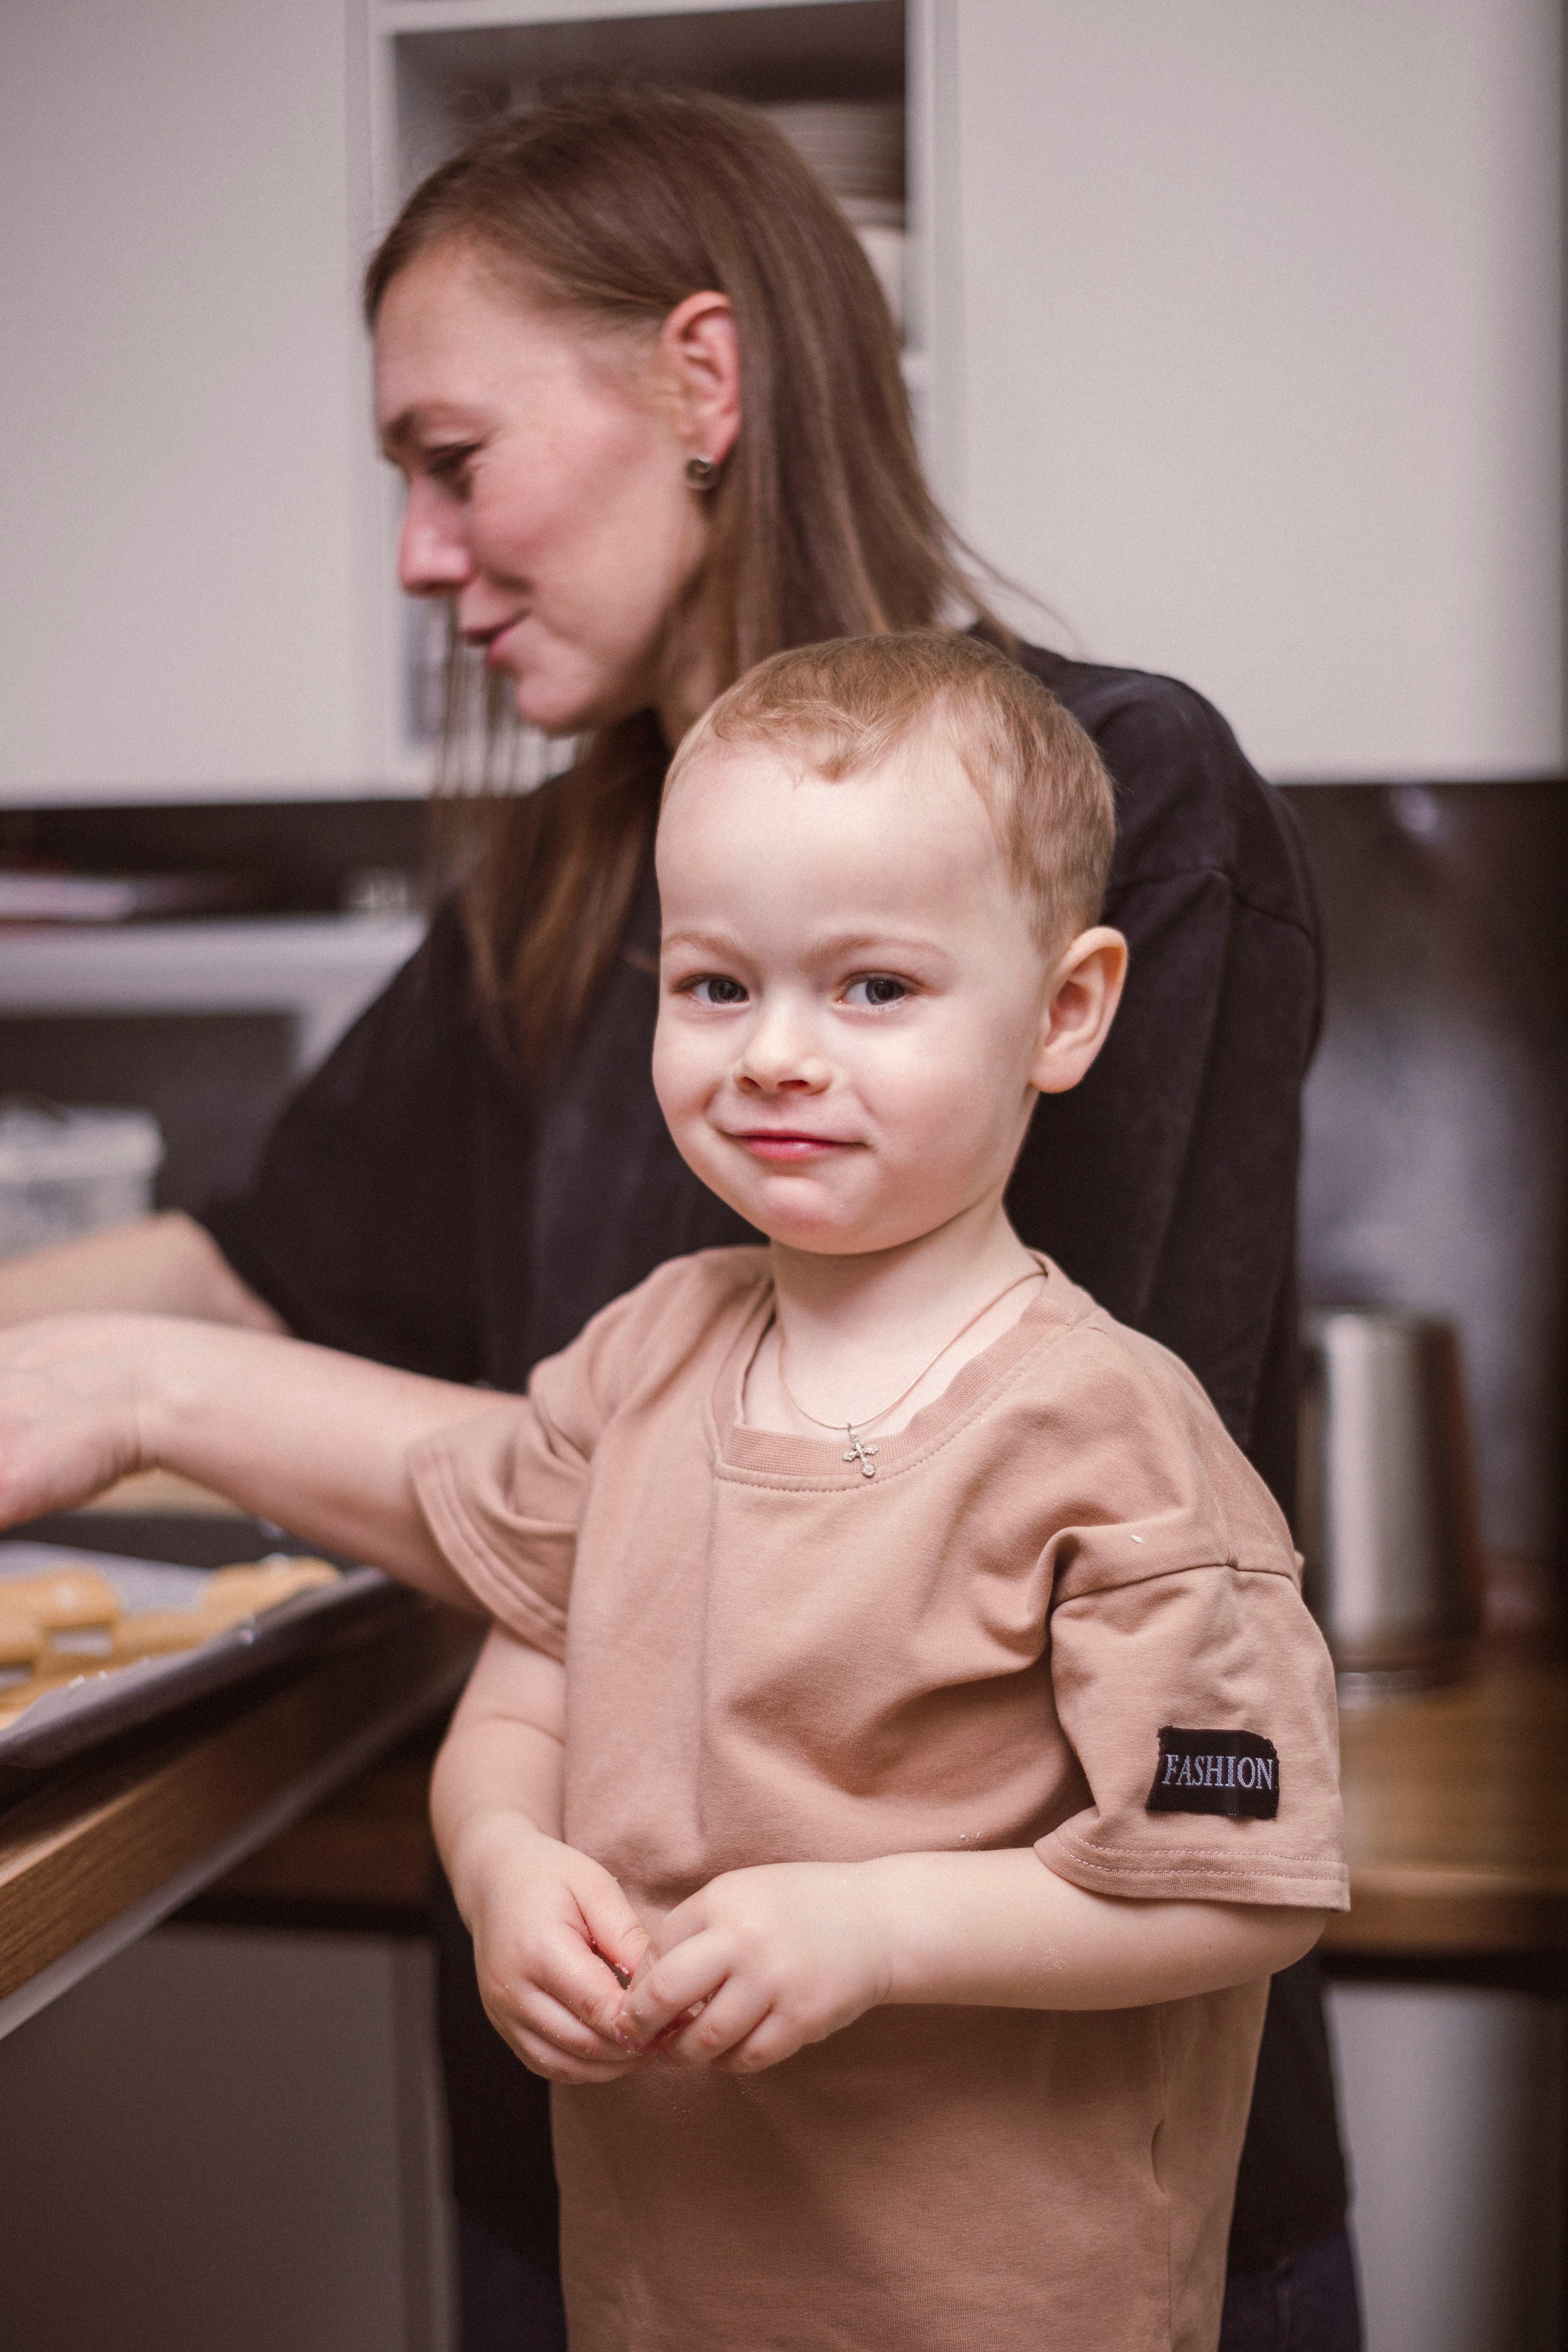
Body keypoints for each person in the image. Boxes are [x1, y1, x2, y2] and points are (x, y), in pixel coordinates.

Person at [0, 89, 1358, 2352]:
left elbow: (990, 1581)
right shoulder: (573, 872)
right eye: (712, 986)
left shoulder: (1128, 801)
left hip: (1001, 2208)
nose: (422, 559)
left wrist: (146, 1393)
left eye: (454, 458)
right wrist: (505, 1842)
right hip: (621, 2152)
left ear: (701, 384)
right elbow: (274, 1267)